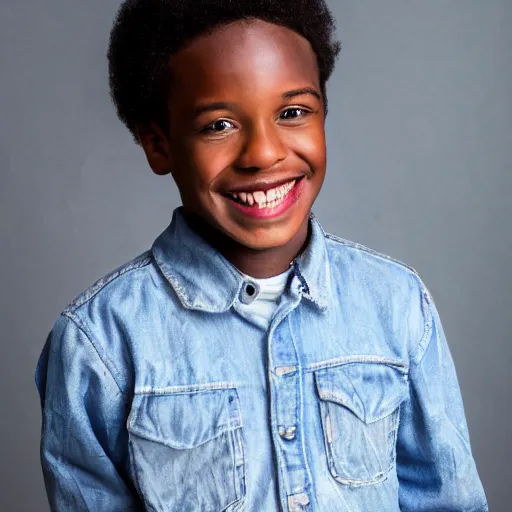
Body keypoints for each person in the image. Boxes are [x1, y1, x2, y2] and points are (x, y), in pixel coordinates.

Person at [35, 0, 488, 510]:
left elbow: (450, 499)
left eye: (292, 113)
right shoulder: (101, 344)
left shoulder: (398, 304)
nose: (264, 154)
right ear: (158, 144)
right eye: (219, 125)